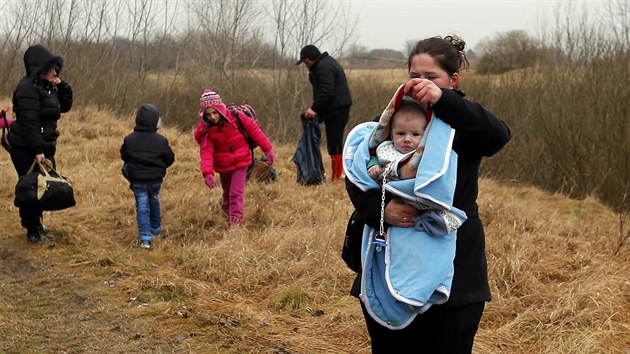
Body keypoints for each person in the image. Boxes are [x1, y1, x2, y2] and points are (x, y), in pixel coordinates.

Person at [345, 35, 511, 353]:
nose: (421, 83)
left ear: (453, 80)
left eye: (431, 77)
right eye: (414, 76)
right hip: (390, 263)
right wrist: (380, 210)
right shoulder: (396, 118)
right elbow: (358, 175)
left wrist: (443, 101)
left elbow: (499, 135)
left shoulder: (463, 124)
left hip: (457, 278)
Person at [8, 44, 73, 244]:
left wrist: (62, 86)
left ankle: (37, 223)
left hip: (44, 145)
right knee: (30, 188)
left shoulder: (48, 87)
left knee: (43, 187)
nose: (55, 71)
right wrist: (37, 150)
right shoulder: (27, 88)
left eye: (56, 67)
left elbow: (65, 107)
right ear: (39, 67)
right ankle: (31, 229)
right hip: (26, 147)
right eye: (51, 68)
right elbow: (29, 123)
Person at [193, 89, 275, 227]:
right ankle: (226, 213)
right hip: (223, 166)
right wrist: (207, 173)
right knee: (227, 193)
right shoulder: (206, 132)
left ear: (220, 109)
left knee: (235, 193)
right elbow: (206, 153)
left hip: (241, 162)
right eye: (208, 115)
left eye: (214, 112)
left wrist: (268, 149)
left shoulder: (237, 117)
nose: (212, 117)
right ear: (203, 115)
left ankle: (235, 222)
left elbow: (255, 131)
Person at [120, 104, 174, 249]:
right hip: (156, 180)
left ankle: (145, 238)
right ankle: (156, 229)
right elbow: (169, 158)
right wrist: (159, 167)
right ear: (155, 121)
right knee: (154, 200)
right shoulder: (161, 140)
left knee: (142, 207)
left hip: (137, 180)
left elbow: (124, 155)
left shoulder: (129, 139)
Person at [296, 44, 352, 181]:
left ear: (310, 59)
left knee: (335, 144)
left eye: (306, 62)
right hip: (335, 110)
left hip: (337, 111)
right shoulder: (324, 64)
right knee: (334, 143)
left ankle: (336, 178)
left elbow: (327, 91)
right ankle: (336, 176)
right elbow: (321, 86)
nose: (305, 65)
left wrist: (314, 109)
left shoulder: (324, 67)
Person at [367, 100, 428, 181]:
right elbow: (375, 157)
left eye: (415, 134)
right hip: (386, 190)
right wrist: (373, 166)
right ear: (392, 136)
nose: (407, 139)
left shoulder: (424, 154)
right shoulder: (386, 149)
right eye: (401, 133)